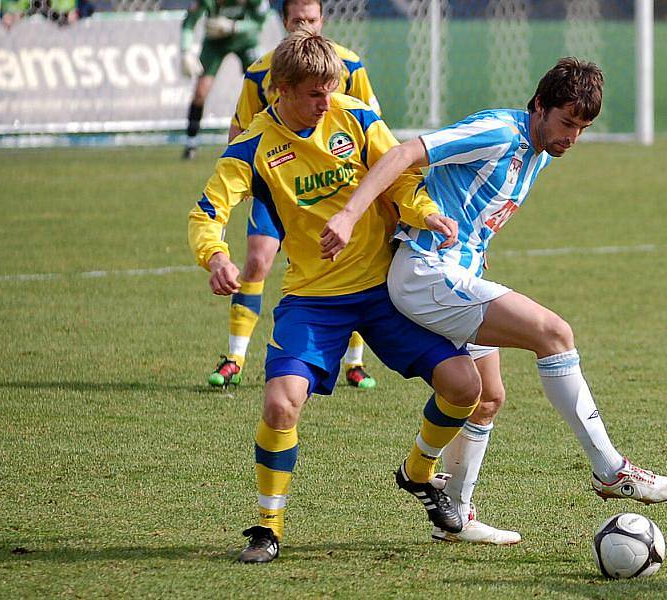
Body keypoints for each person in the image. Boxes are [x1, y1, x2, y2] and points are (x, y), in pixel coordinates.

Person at [321, 57, 667, 544]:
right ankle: (610, 469)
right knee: (554, 333)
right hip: (426, 273)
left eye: (582, 128)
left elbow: (473, 205)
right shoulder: (498, 131)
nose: (572, 137)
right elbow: (406, 153)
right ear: (539, 106)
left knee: (487, 398)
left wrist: (477, 247)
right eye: (567, 123)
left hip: (451, 272)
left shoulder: (539, 150)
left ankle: (456, 517)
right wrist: (348, 214)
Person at [188, 29, 485, 564]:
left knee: (465, 387)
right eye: (315, 94)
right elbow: (207, 211)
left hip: (386, 290)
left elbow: (399, 178)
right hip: (314, 300)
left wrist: (425, 213)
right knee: (280, 405)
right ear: (281, 90)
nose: (328, 102)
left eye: (331, 89)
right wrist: (216, 257)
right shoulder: (253, 148)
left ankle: (417, 473)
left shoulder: (355, 116)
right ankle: (267, 527)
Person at [207, 0, 382, 390]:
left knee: (349, 260)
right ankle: (235, 356)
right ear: (284, 22)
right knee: (257, 259)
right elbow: (240, 130)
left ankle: (355, 362)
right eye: (297, 20)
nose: (305, 26)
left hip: (335, 186)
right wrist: (247, 180)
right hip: (279, 185)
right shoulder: (260, 72)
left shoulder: (349, 65)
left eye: (312, 19)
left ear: (323, 20)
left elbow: (374, 128)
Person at [180, 0, 270, 160]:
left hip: (245, 40)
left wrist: (234, 26)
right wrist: (186, 50)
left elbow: (260, 21)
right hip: (214, 44)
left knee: (262, 87)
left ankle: (268, 137)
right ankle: (190, 143)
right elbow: (189, 23)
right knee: (200, 92)